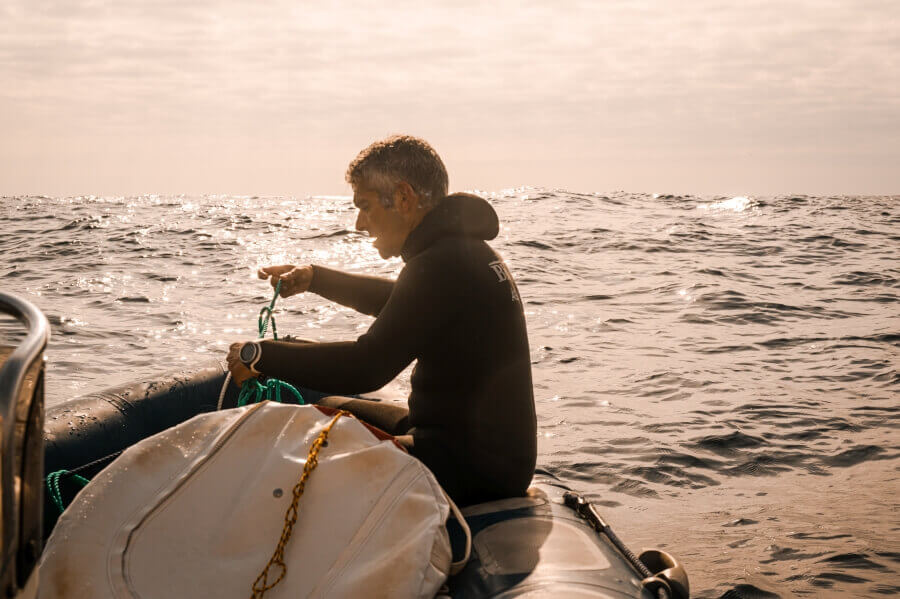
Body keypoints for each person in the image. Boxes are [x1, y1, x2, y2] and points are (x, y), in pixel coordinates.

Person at [226, 135, 536, 506]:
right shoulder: (461, 252)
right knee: (331, 404)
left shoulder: (442, 264)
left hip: (467, 468)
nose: (359, 224)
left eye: (366, 206)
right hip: (473, 451)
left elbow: (366, 367)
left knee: (297, 460)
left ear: (403, 198)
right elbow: (401, 303)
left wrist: (258, 355)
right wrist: (315, 277)